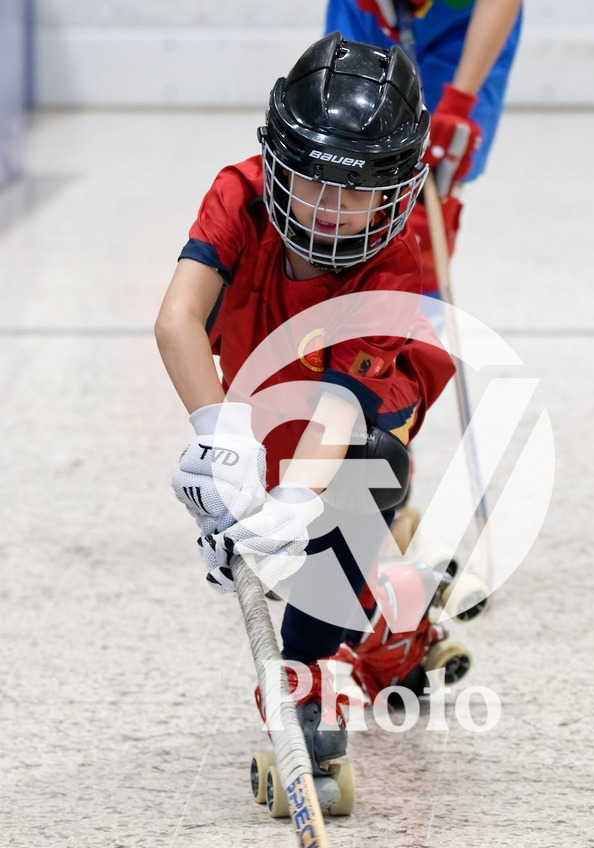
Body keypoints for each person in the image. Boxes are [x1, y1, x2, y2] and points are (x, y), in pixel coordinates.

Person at [155, 33, 463, 806]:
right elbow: (177, 321)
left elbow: (339, 407)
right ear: (279, 163)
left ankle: (306, 673)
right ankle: (394, 611)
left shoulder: (399, 258)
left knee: (364, 482)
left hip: (346, 427)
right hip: (259, 410)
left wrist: (293, 502)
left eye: (353, 191)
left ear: (395, 188)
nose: (327, 211)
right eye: (312, 184)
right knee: (307, 518)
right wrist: (219, 443)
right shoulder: (241, 193)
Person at [325, 0, 524, 293]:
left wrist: (459, 103)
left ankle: (419, 310)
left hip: (460, 25)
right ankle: (336, 300)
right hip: (369, 14)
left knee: (437, 177)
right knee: (345, 157)